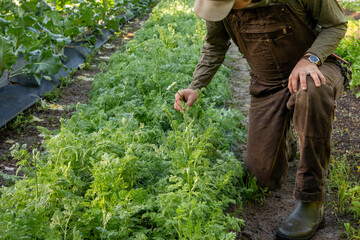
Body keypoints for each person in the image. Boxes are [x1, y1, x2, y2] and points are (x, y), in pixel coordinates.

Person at [173, 0, 347, 239]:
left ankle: (311, 201)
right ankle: (287, 140)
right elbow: (215, 44)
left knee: (310, 90)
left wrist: (310, 59)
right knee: (261, 178)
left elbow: (336, 24)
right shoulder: (220, 7)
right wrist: (196, 86)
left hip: (317, 69)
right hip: (268, 83)